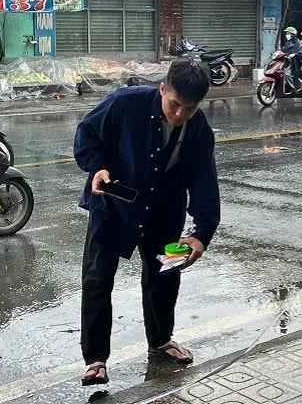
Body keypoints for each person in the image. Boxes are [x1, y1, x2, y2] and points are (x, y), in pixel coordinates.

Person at [74, 60, 221, 386]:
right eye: (175, 104)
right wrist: (96, 167)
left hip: (166, 209)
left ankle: (161, 340)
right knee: (98, 279)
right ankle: (95, 358)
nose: (180, 114)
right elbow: (86, 133)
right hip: (113, 203)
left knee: (166, 274)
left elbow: (205, 181)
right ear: (162, 89)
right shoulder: (125, 102)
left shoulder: (199, 128)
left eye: (190, 108)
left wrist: (202, 234)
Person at [281, 26, 302, 93]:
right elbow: (284, 49)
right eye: (287, 33)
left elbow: (301, 52)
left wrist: (294, 54)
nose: (287, 35)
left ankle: (294, 88)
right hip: (287, 61)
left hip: (294, 63)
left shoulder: (298, 43)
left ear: (293, 34)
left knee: (287, 74)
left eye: (288, 33)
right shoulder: (288, 42)